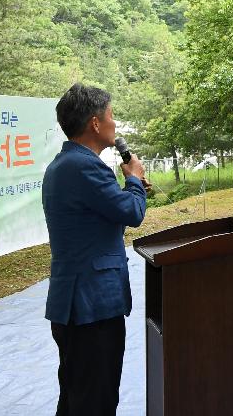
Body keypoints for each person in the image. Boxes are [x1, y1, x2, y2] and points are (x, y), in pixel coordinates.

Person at [42, 84, 148, 416]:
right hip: (91, 306)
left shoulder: (67, 165)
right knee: (95, 401)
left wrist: (130, 188)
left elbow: (109, 211)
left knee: (77, 397)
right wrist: (134, 179)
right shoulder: (85, 167)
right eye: (111, 115)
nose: (115, 124)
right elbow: (131, 213)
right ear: (95, 123)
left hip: (76, 304)